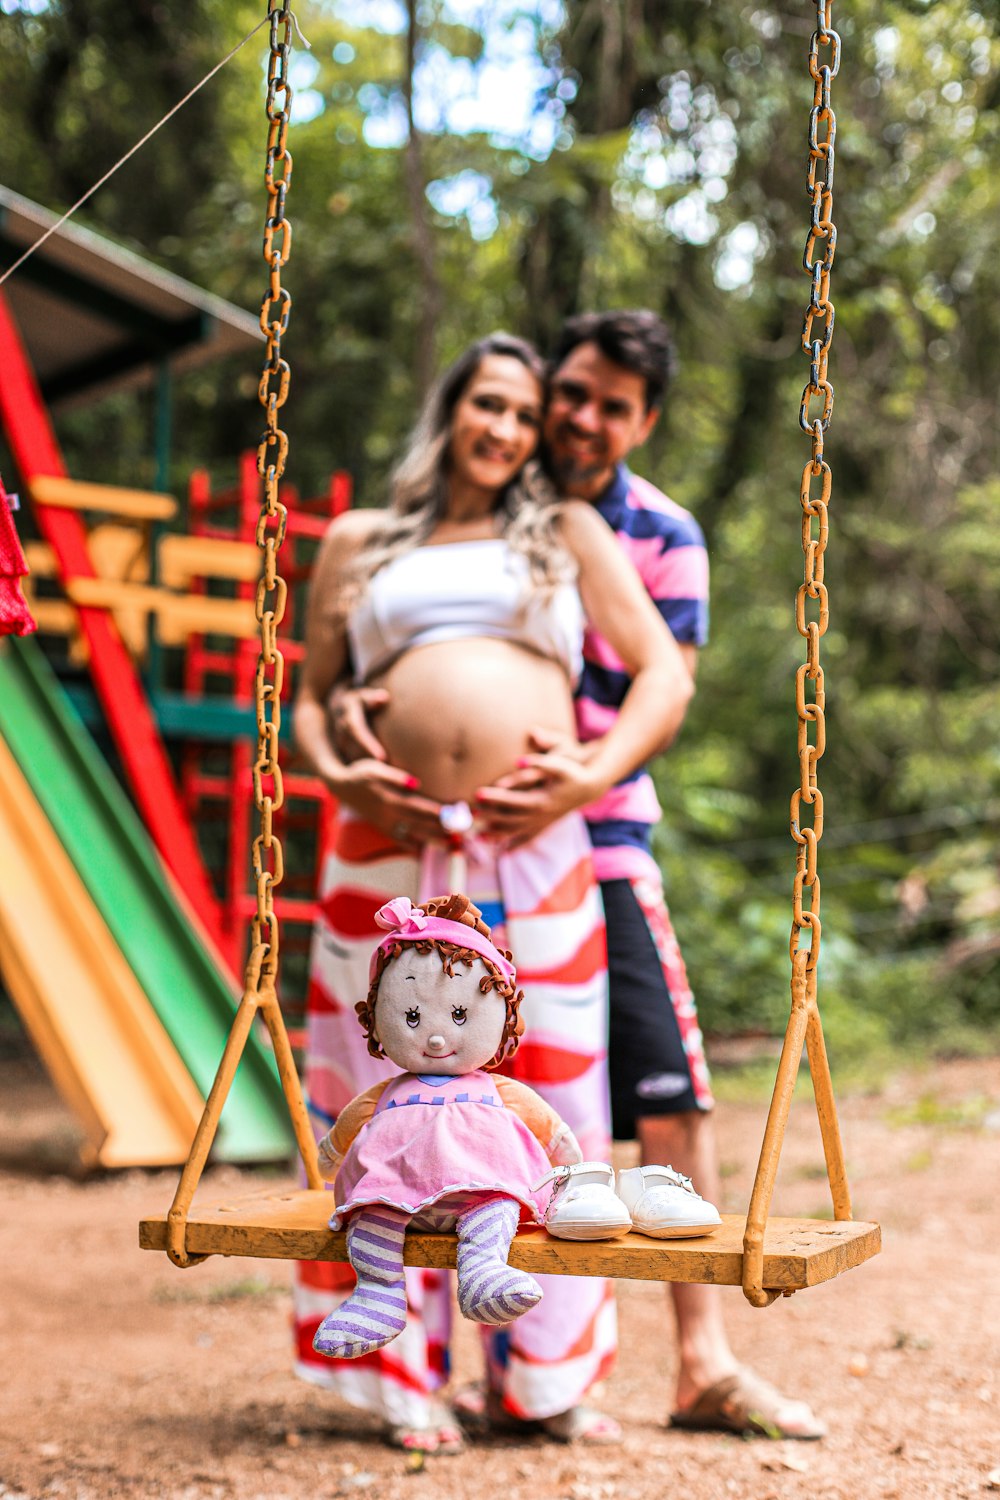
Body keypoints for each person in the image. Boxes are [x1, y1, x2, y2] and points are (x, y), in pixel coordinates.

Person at [332, 310, 826, 1443]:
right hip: (455, 845)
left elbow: (665, 682)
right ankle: (445, 1356)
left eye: (612, 405)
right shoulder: (484, 517)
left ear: (645, 422)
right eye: (570, 395)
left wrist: (579, 777)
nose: (578, 418)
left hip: (591, 841)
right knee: (433, 1092)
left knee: (653, 1089)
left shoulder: (652, 529)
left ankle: (691, 1355)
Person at [291, 330, 695, 1452]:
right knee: (372, 1100)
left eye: (522, 413)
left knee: (554, 1102)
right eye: (487, 403)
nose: (505, 429)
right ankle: (395, 1374)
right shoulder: (362, 543)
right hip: (383, 847)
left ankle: (540, 1378)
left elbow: (662, 671)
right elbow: (314, 702)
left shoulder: (565, 534)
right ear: (450, 410)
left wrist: (592, 770)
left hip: (534, 842)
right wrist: (341, 768)